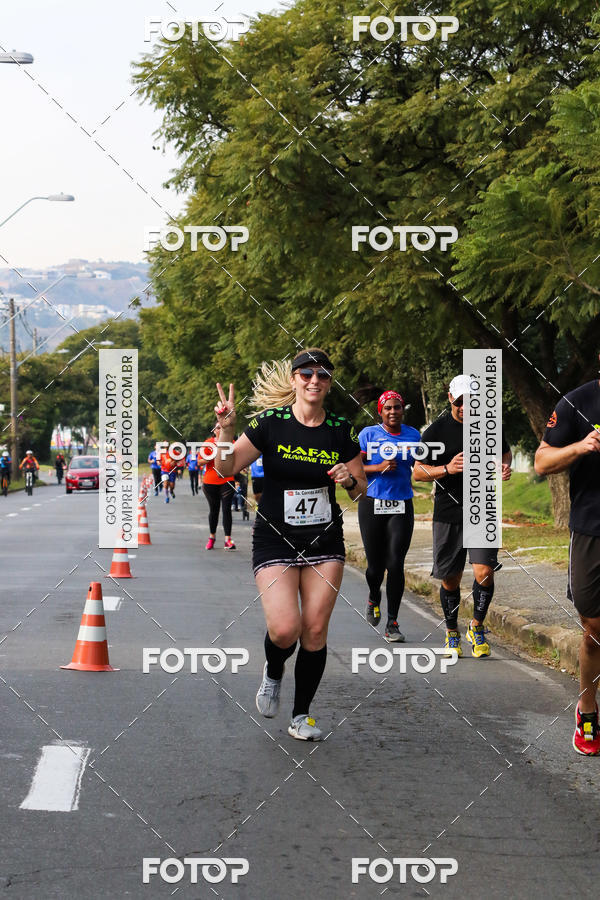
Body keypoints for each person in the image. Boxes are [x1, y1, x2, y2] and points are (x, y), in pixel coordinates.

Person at [213, 348, 366, 741]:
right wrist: (227, 431)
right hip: (275, 538)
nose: (314, 381)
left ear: (329, 383)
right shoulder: (270, 423)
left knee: (314, 631)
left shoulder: (340, 429)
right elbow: (226, 468)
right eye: (307, 374)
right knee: (285, 630)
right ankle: (274, 669)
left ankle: (301, 715)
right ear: (294, 379)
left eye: (323, 375)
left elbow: (361, 491)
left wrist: (348, 478)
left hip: (323, 540)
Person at [414, 375, 512, 658]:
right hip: (448, 512)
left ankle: (477, 627)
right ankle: (452, 632)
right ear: (450, 399)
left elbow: (504, 454)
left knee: (484, 572)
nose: (466, 408)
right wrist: (446, 468)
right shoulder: (435, 432)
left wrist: (504, 468)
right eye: (460, 402)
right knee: (450, 579)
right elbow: (418, 472)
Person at [534, 364, 600, 755]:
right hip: (591, 527)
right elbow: (541, 462)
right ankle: (587, 707)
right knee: (593, 628)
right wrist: (582, 446)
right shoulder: (578, 401)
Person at [358, 390, 421, 642]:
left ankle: (392, 622)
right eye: (388, 408)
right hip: (372, 503)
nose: (393, 412)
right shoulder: (368, 435)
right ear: (380, 412)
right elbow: (355, 468)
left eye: (397, 407)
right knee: (375, 568)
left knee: (395, 564)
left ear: (402, 410)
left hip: (402, 504)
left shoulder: (413, 435)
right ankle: (374, 596)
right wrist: (377, 467)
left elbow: (421, 465)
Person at [201, 424, 236, 550]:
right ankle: (212, 537)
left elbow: (237, 459)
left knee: (227, 510)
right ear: (214, 431)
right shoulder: (208, 443)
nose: (220, 429)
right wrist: (211, 456)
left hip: (227, 480)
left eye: (222, 427)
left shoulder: (231, 442)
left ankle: (228, 539)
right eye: (217, 428)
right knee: (214, 510)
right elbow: (199, 462)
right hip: (210, 482)